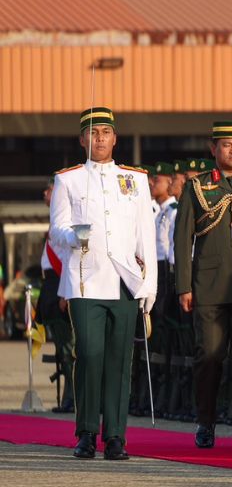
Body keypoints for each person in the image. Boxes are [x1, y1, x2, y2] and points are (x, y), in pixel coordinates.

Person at [49, 107, 158, 460]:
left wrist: (149, 287)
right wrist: (73, 235)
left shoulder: (135, 179)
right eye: (93, 133)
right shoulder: (69, 179)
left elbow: (146, 235)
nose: (99, 139)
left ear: (115, 137)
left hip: (124, 281)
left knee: (119, 360)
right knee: (90, 356)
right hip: (84, 280)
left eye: (105, 132)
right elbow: (56, 230)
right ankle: (86, 432)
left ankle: (115, 436)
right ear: (82, 139)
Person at [175, 121, 232, 450]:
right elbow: (182, 240)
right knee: (209, 357)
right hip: (208, 286)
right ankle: (206, 421)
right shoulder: (197, 187)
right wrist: (184, 285)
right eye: (226, 145)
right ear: (213, 149)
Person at [38, 177, 74, 413]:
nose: (45, 193)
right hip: (51, 285)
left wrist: (66, 293)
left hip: (61, 284)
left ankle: (73, 397)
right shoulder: (54, 221)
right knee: (61, 347)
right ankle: (68, 398)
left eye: (50, 189)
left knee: (70, 348)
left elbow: (68, 260)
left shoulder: (65, 223)